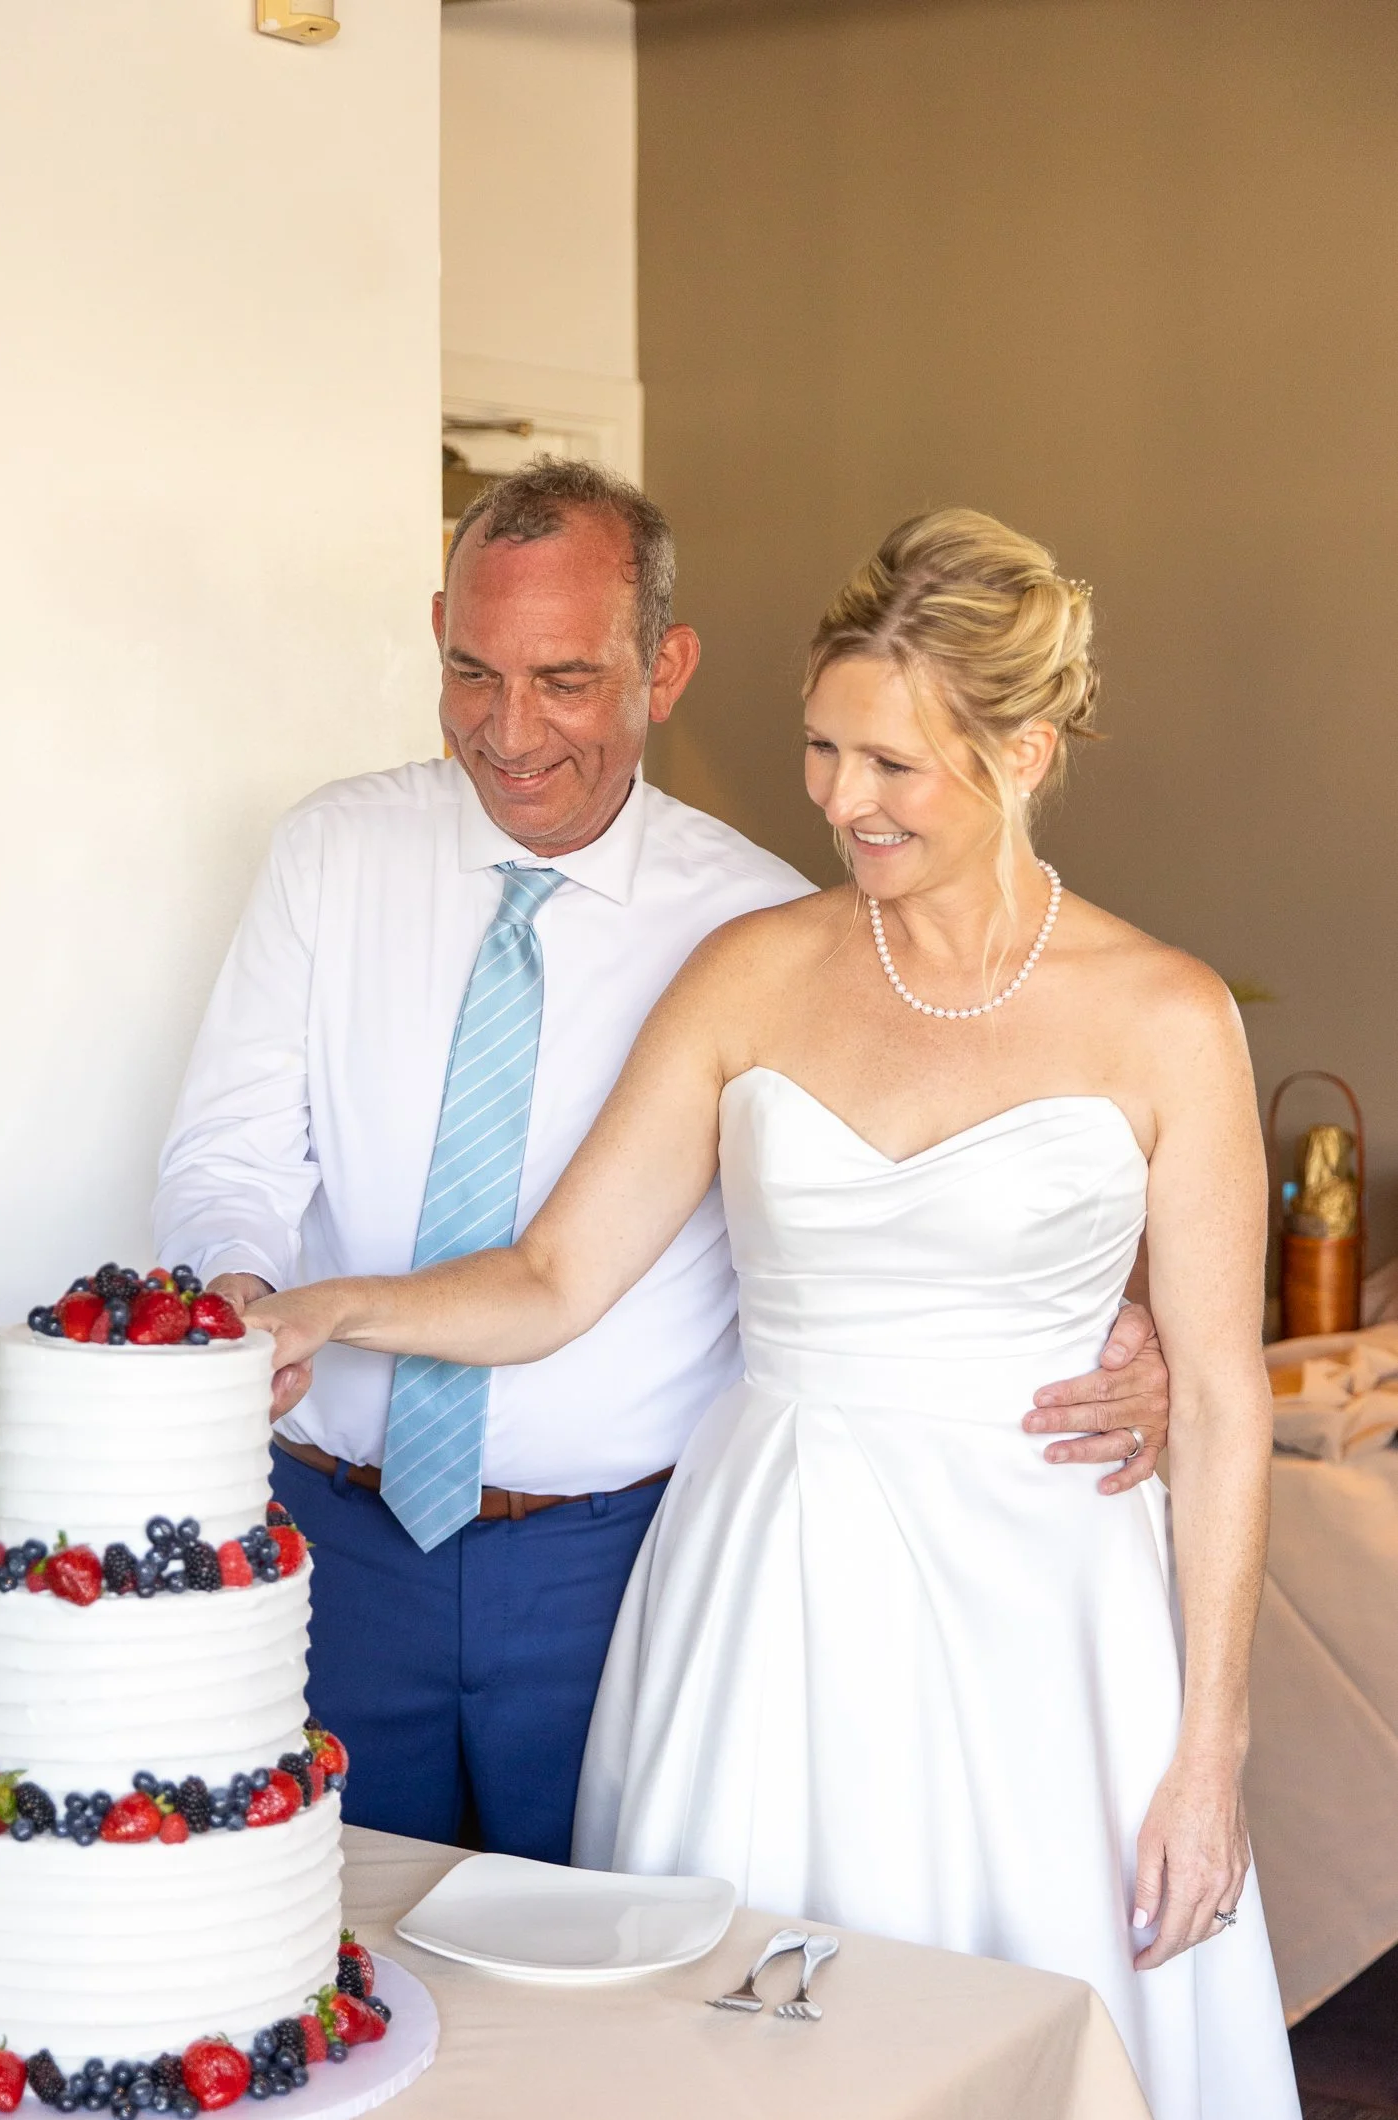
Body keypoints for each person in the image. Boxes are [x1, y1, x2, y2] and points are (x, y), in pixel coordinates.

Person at [156, 468, 1170, 1872]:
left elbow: (912, 1216)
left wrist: (1122, 1340)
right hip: (334, 1535)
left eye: (565, 679)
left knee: (617, 2013)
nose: (509, 732)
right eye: (473, 670)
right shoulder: (331, 855)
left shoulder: (774, 926)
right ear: (440, 632)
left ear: (664, 669)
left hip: (617, 1566)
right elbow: (236, 1152)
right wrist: (249, 1297)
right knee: (319, 1960)